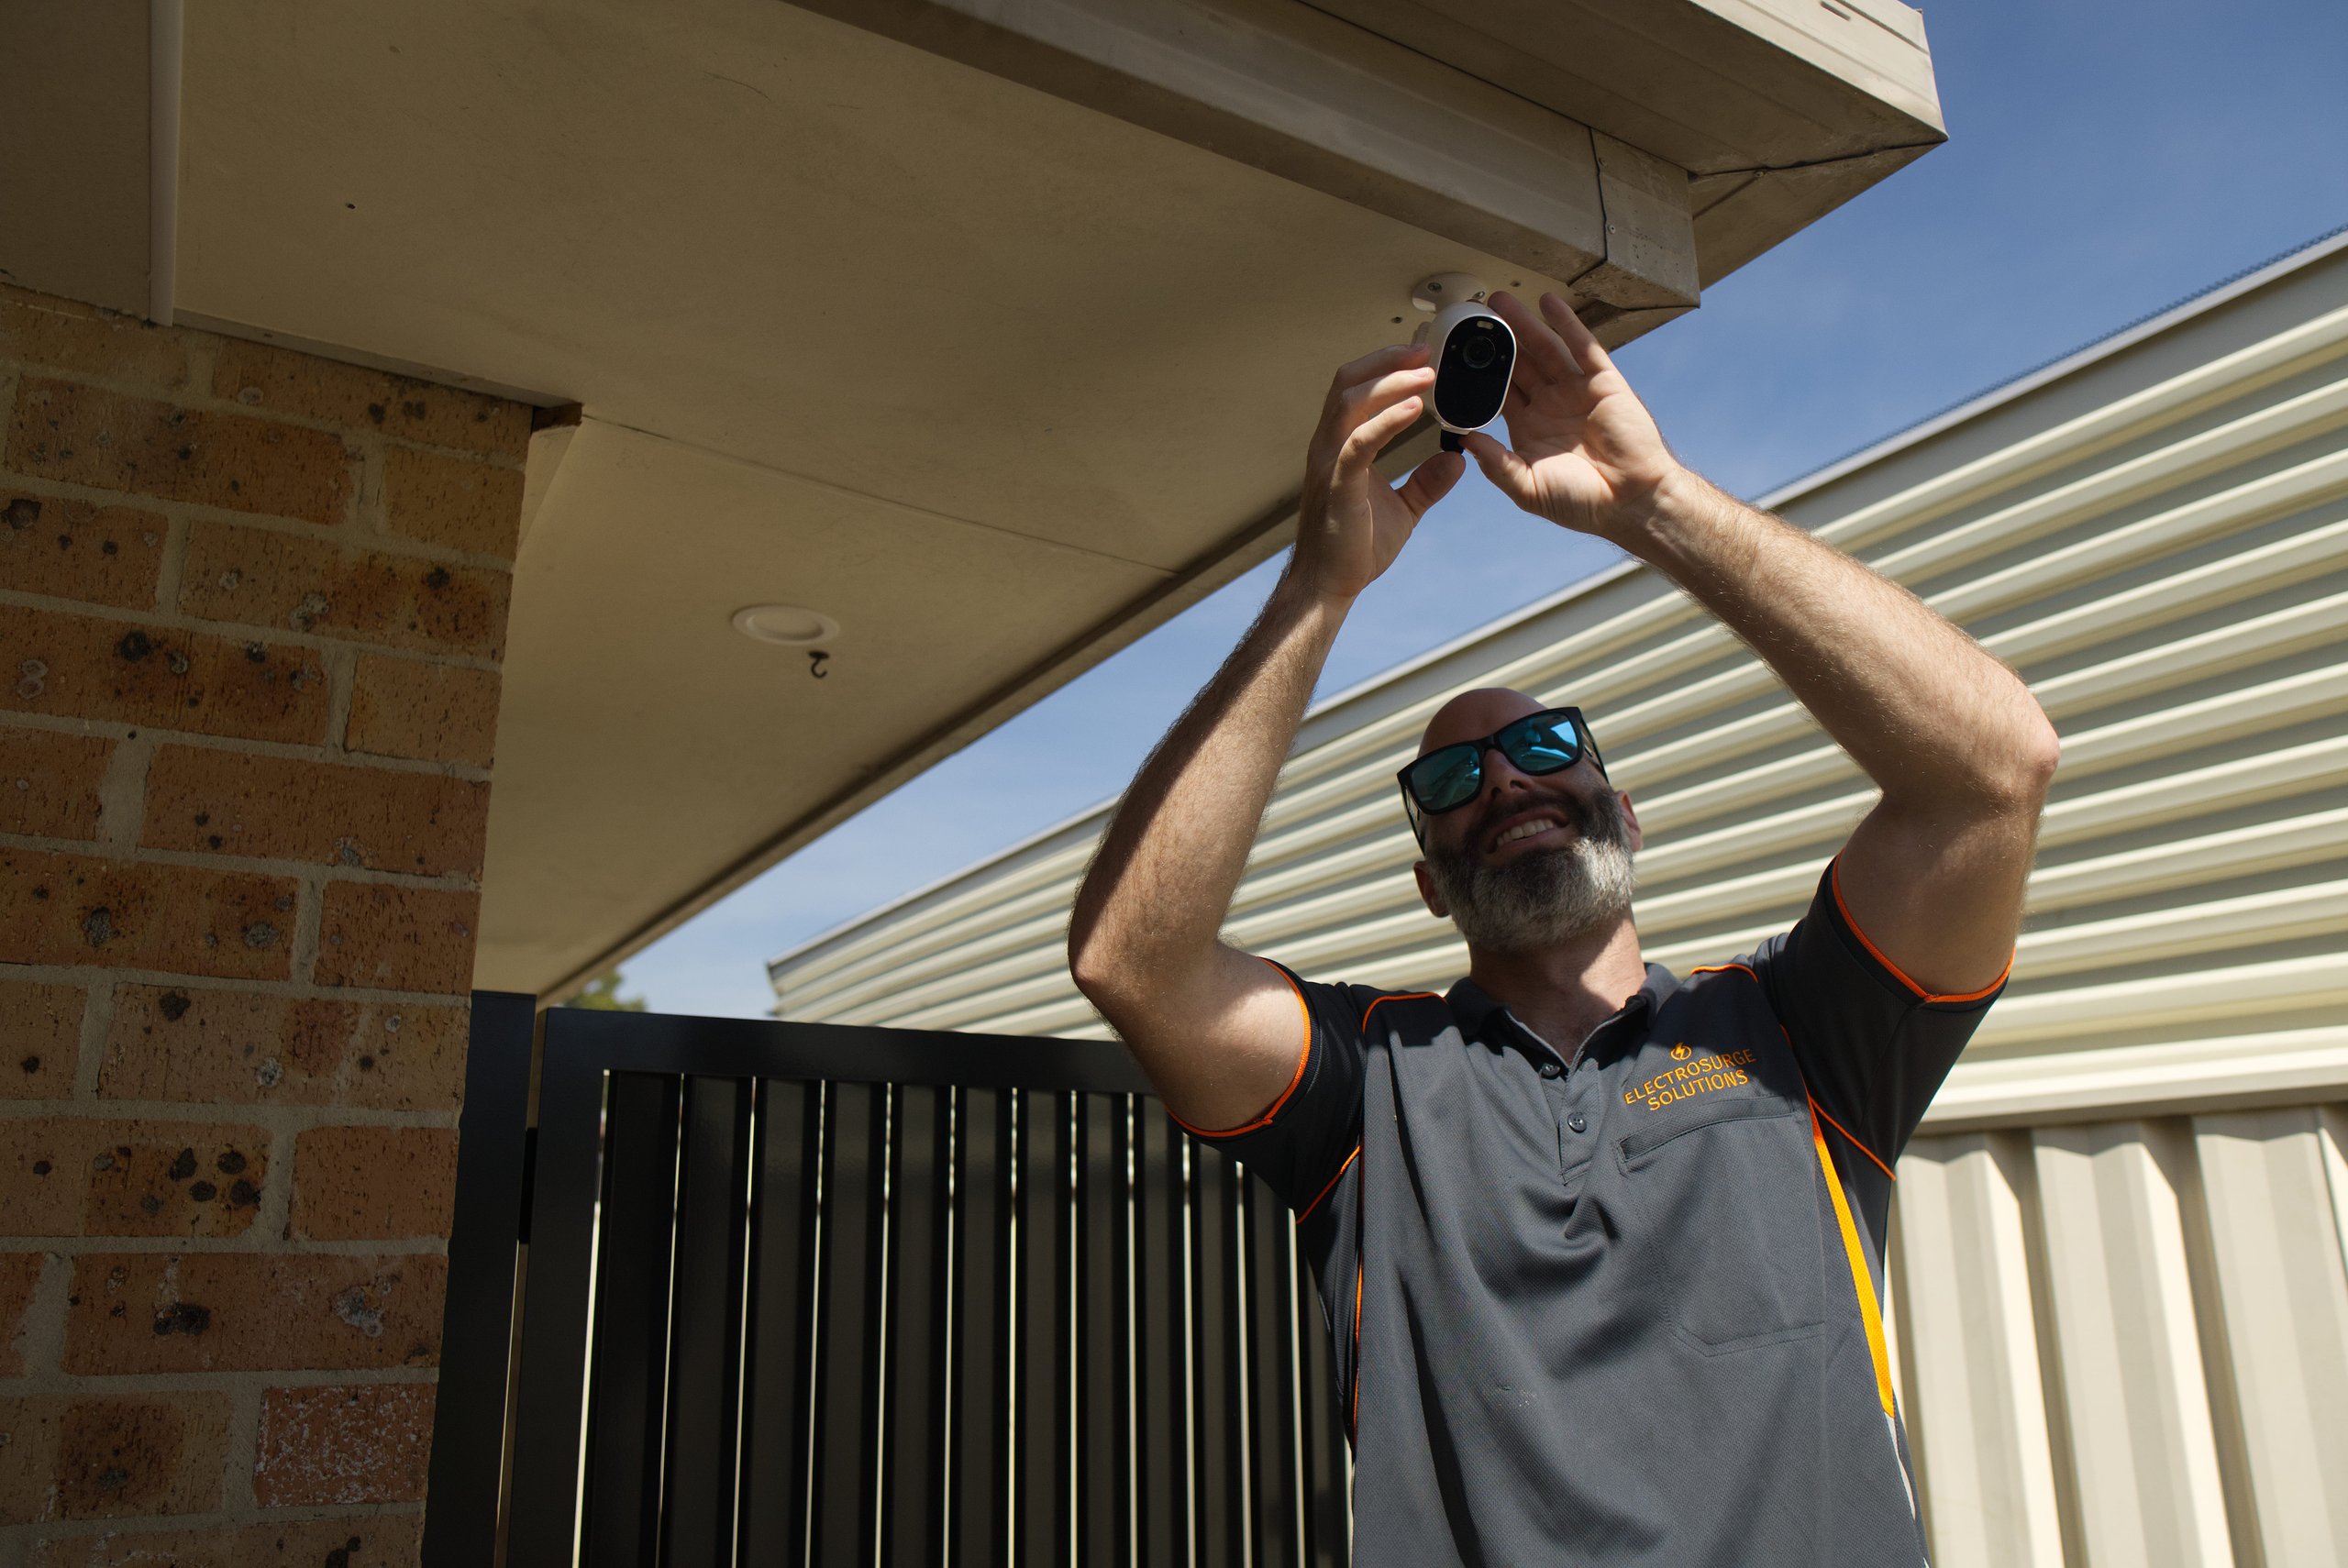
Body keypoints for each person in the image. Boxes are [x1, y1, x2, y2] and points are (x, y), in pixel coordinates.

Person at [1066, 290, 2059, 1566]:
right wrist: (1322, 585)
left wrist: (1657, 503)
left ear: (1626, 814)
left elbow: (1995, 771)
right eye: (1452, 782)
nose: (1508, 781)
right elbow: (1130, 958)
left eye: (1544, 744)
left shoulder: (1802, 1033)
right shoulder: (1369, 1084)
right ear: (1430, 882)